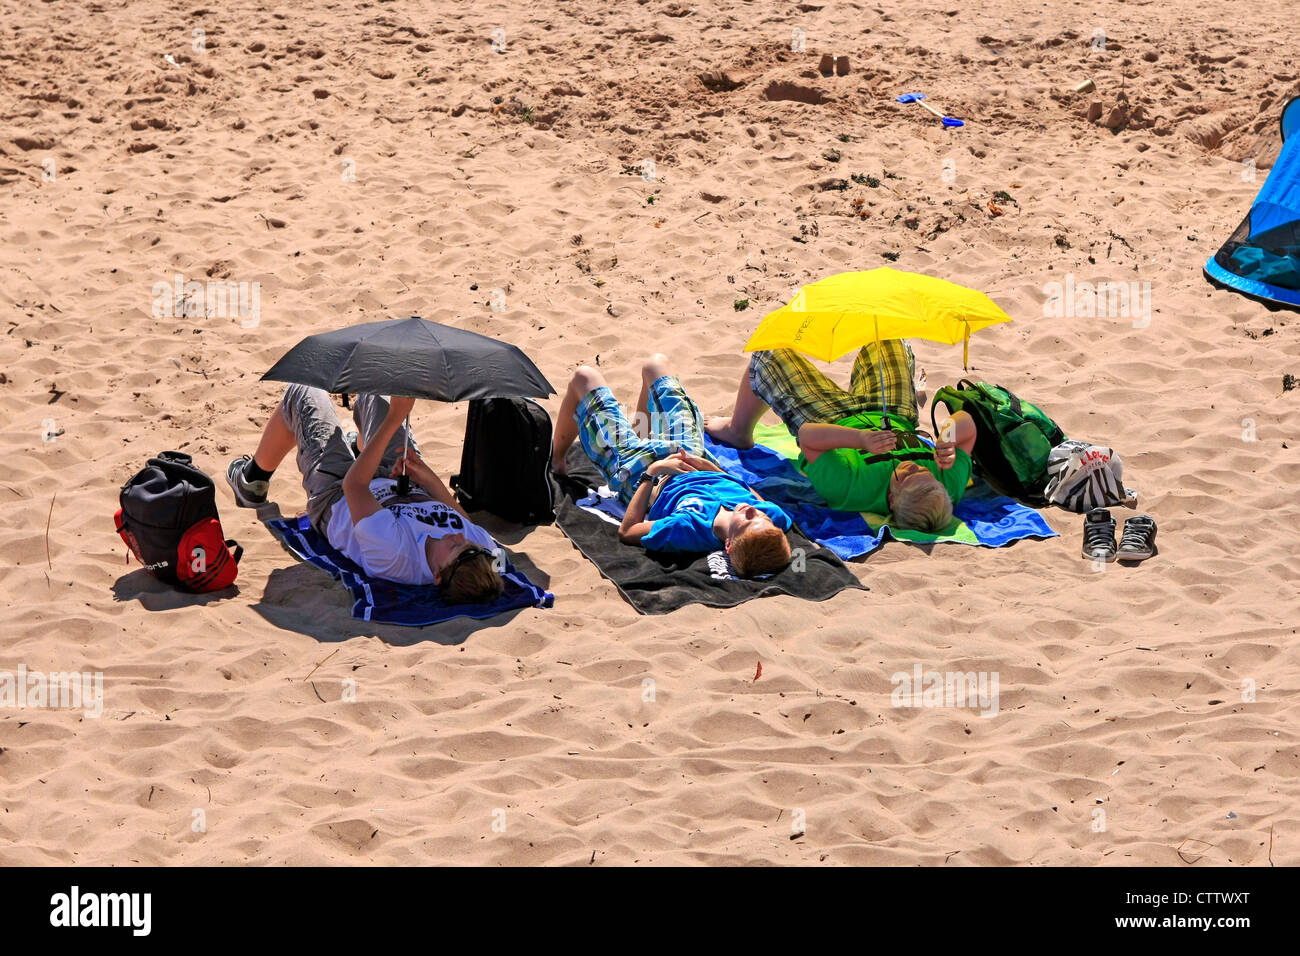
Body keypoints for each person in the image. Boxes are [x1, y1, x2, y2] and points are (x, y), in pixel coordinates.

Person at [224, 386, 504, 603]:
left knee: (304, 391)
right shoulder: (480, 552)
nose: (459, 537)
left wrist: (396, 418)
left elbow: (354, 486)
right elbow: (463, 519)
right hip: (404, 483)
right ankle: (362, 449)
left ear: (437, 576)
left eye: (454, 547)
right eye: (466, 543)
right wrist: (424, 474)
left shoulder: (395, 555)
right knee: (379, 389)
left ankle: (252, 481)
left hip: (338, 496)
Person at [551, 354, 794, 577]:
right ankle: (642, 432)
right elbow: (756, 499)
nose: (755, 511)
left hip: (638, 472)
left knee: (584, 377)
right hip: (691, 454)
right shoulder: (772, 519)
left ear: (728, 545)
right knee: (655, 365)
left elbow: (628, 531)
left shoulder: (689, 529)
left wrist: (652, 473)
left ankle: (557, 458)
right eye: (762, 517)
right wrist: (712, 470)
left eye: (749, 521)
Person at [706, 341, 977, 533]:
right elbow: (967, 423)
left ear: (892, 501)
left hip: (832, 419)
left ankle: (737, 430)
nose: (914, 467)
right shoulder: (944, 487)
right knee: (888, 338)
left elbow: (808, 435)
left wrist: (859, 440)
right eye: (923, 471)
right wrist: (948, 438)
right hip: (892, 413)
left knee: (768, 353)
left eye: (905, 476)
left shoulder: (851, 489)